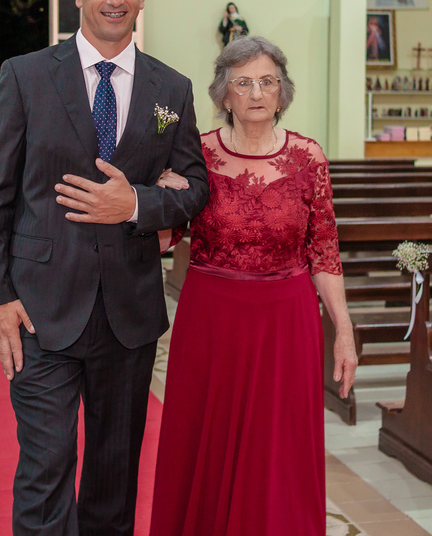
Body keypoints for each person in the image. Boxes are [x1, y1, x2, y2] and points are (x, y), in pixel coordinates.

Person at [0, 0, 209, 536]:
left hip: (129, 313)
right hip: (41, 310)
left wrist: (137, 205)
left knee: (113, 476)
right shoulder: (25, 76)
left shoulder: (171, 88)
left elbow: (196, 188)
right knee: (45, 469)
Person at [149, 36, 357, 536]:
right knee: (206, 437)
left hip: (287, 322)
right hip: (211, 321)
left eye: (268, 81)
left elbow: (324, 251)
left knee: (278, 445)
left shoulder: (308, 157)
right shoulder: (197, 156)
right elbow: (164, 239)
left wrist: (344, 331)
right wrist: (155, 195)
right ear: (224, 94)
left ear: (282, 92)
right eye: (243, 83)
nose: (257, 93)